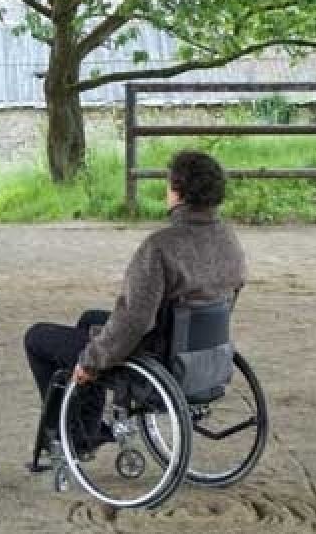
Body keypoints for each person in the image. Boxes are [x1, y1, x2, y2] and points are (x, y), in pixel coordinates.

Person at [23, 150, 247, 449]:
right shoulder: (228, 238)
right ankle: (87, 427)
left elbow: (135, 319)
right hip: (202, 353)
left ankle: (72, 438)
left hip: (160, 355)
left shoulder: (161, 247)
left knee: (37, 338)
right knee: (90, 318)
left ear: (178, 192)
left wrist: (91, 361)